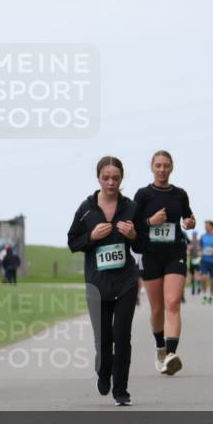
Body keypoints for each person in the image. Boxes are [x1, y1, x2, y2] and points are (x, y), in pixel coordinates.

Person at [67, 156, 140, 406]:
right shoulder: (86, 208)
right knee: (103, 338)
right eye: (106, 178)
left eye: (116, 178)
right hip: (97, 284)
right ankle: (104, 369)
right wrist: (91, 235)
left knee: (122, 336)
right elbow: (72, 242)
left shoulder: (130, 207)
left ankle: (121, 390)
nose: (111, 182)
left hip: (126, 281)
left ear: (122, 178)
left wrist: (133, 234)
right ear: (98, 178)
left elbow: (143, 243)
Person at [133, 150, 196, 376]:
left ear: (172, 168)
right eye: (158, 165)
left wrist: (190, 221)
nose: (162, 170)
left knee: (172, 303)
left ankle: (171, 355)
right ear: (152, 167)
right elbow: (133, 225)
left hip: (175, 252)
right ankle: (160, 347)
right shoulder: (142, 195)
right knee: (157, 308)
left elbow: (189, 217)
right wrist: (151, 221)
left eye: (166, 166)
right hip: (151, 254)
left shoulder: (180, 194)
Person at [188, 231, 201, 296]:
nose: (194, 236)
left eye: (195, 235)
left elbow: (201, 250)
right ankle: (193, 287)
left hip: (198, 259)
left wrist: (200, 251)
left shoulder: (199, 242)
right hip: (192, 259)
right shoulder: (190, 242)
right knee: (192, 274)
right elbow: (188, 250)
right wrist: (190, 248)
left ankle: (198, 287)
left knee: (197, 274)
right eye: (193, 235)